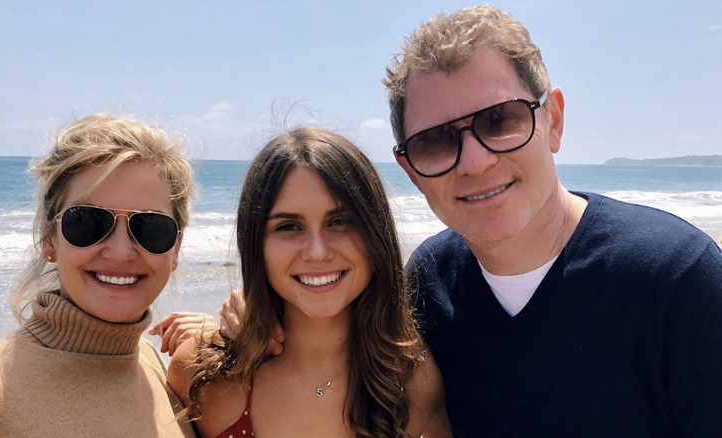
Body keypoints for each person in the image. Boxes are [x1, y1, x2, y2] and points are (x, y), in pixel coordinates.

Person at [382, 5, 722, 437]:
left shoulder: (676, 279)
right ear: (410, 169)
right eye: (433, 141)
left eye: (499, 119)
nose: (474, 161)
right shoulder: (428, 284)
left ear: (553, 121)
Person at [168, 127, 450, 437]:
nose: (317, 252)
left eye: (340, 222)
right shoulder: (202, 375)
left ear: (375, 234)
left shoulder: (412, 380)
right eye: (289, 226)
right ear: (255, 244)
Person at [0, 114, 201, 437]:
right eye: (89, 222)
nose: (120, 252)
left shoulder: (151, 363)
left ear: (175, 248)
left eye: (150, 228)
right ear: (50, 238)